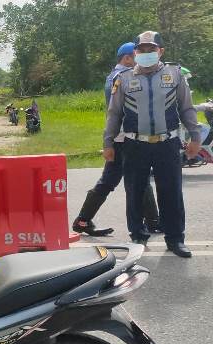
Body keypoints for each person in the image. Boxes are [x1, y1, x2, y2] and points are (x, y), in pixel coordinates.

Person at [104, 31, 200, 258]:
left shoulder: (175, 75)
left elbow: (187, 108)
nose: (146, 53)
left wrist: (195, 137)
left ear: (161, 51)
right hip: (135, 144)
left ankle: (175, 239)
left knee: (171, 192)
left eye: (151, 49)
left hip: (168, 143)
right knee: (135, 192)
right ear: (135, 52)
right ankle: (137, 236)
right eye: (142, 50)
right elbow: (114, 114)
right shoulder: (124, 78)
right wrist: (108, 142)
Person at [73, 42, 161, 236]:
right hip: (125, 138)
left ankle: (83, 220)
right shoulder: (121, 77)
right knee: (140, 177)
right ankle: (153, 221)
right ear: (127, 58)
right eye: (136, 55)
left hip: (118, 137)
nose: (140, 58)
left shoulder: (114, 75)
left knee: (111, 179)